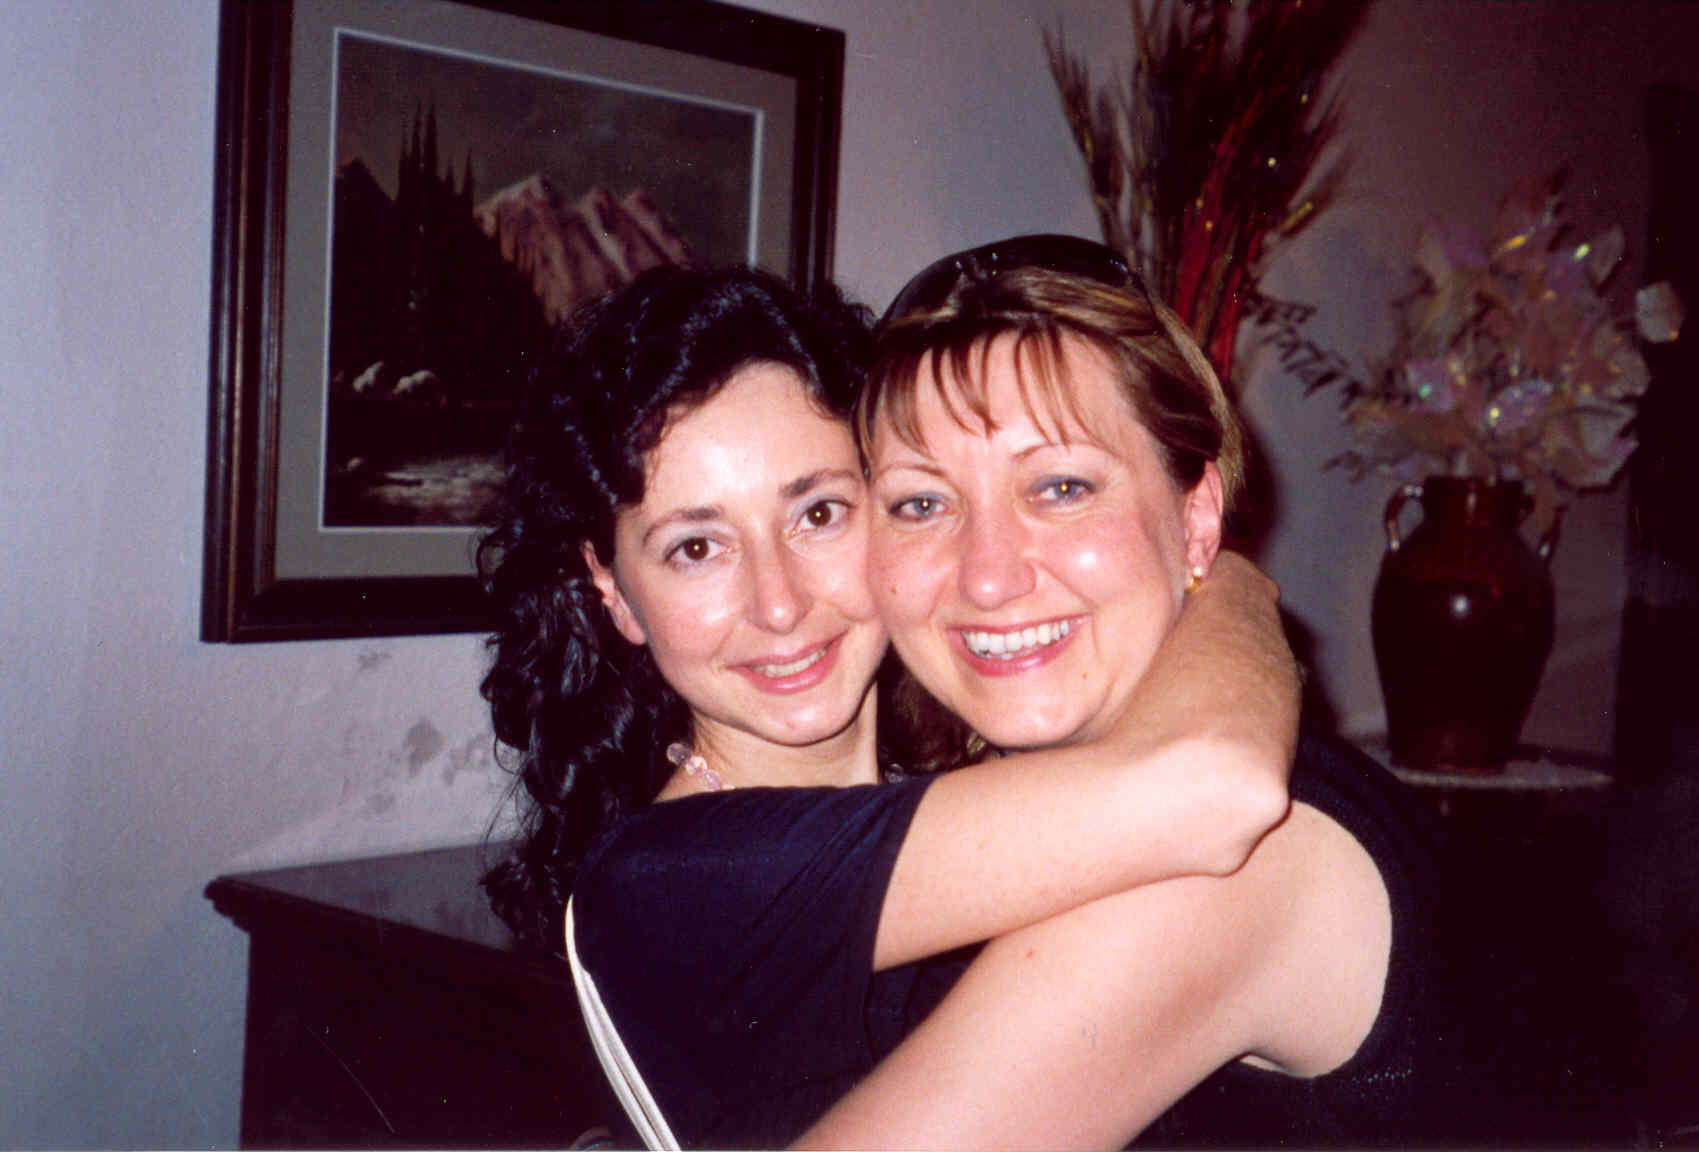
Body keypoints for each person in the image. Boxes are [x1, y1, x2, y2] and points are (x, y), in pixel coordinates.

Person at [478, 263, 1302, 1149]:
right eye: (696, 548)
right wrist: (1229, 578)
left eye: (818, 514)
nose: (779, 605)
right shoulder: (667, 883)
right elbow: (1215, 785)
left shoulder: (966, 800)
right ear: (611, 588)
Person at [799, 234, 1448, 1148]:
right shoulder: (1028, 810)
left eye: (1060, 487)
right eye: (921, 503)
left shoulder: (1229, 865)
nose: (986, 576)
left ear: (1196, 518)